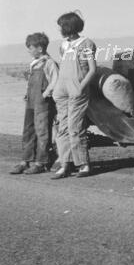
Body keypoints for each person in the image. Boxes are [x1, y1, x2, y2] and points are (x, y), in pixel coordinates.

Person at [51, 12, 97, 179]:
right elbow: (64, 66)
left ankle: (83, 164)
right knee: (61, 128)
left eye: (61, 26)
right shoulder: (63, 45)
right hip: (61, 90)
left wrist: (80, 88)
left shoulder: (86, 43)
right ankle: (65, 164)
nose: (59, 29)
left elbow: (92, 70)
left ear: (68, 26)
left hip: (77, 90)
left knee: (75, 127)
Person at [10, 33, 59, 175]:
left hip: (43, 104)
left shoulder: (49, 63)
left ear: (40, 48)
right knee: (28, 131)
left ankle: (41, 163)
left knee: (42, 132)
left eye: (30, 47)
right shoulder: (35, 63)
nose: (28, 50)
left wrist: (45, 94)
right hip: (31, 102)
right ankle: (25, 161)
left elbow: (55, 81)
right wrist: (27, 94)